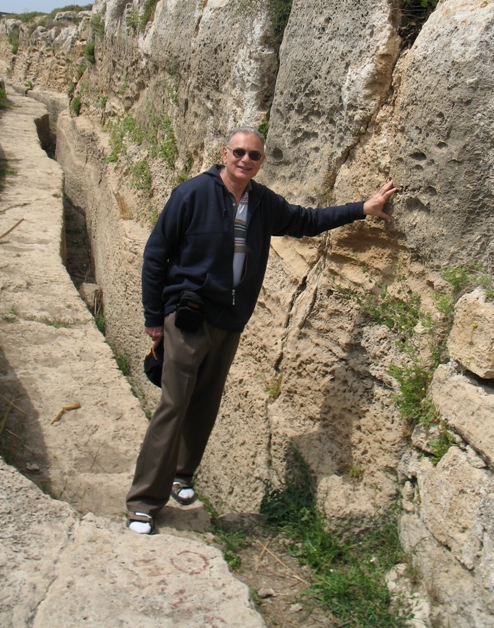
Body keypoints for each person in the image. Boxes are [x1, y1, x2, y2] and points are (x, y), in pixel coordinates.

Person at [126, 127, 396, 534]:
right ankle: (144, 502)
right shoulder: (193, 194)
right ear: (225, 153)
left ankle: (183, 476)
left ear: (261, 161)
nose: (245, 160)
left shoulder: (261, 202)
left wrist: (363, 207)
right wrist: (152, 317)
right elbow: (156, 254)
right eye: (239, 152)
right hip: (187, 317)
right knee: (173, 405)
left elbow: (307, 220)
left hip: (229, 321)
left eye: (253, 155)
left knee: (205, 403)